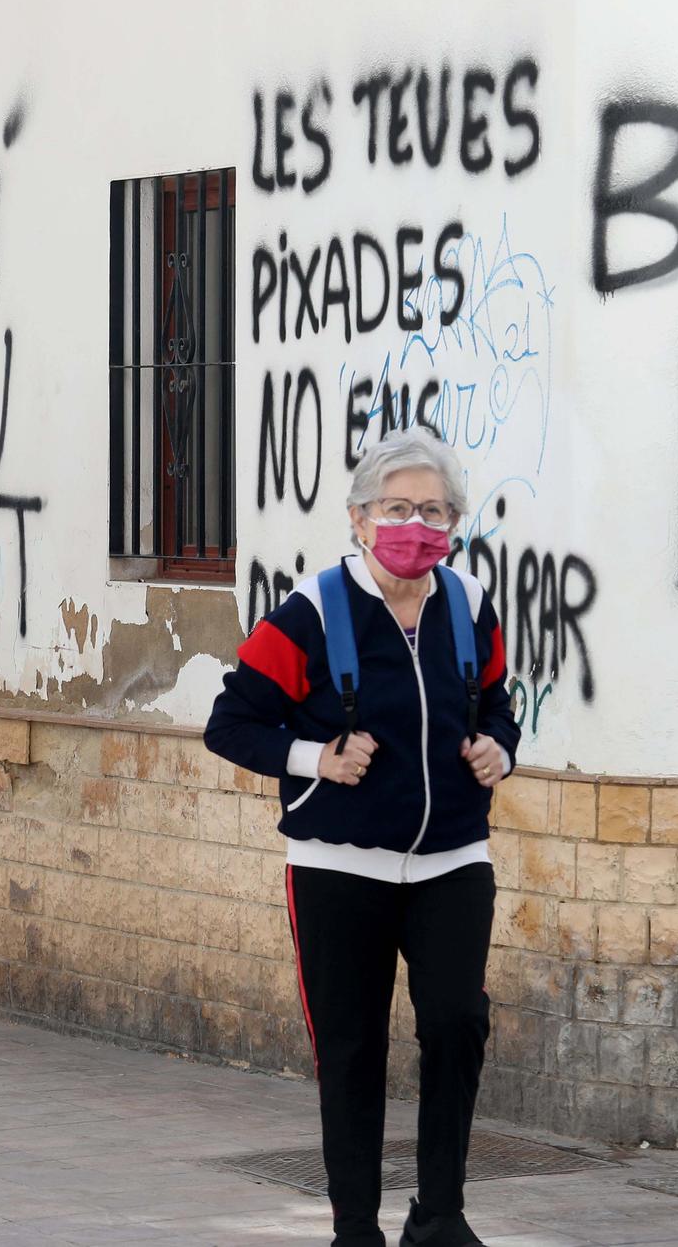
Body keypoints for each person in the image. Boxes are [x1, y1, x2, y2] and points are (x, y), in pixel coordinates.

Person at [204, 428, 520, 1247]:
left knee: (455, 1024)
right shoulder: (311, 612)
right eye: (397, 508)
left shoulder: (469, 603)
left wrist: (499, 748)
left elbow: (497, 704)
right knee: (352, 1047)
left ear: (453, 521)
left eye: (433, 509)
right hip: (339, 865)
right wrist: (318, 756)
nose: (415, 523)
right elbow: (230, 723)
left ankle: (440, 1213)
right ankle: (355, 1228)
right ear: (359, 518)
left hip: (454, 857)